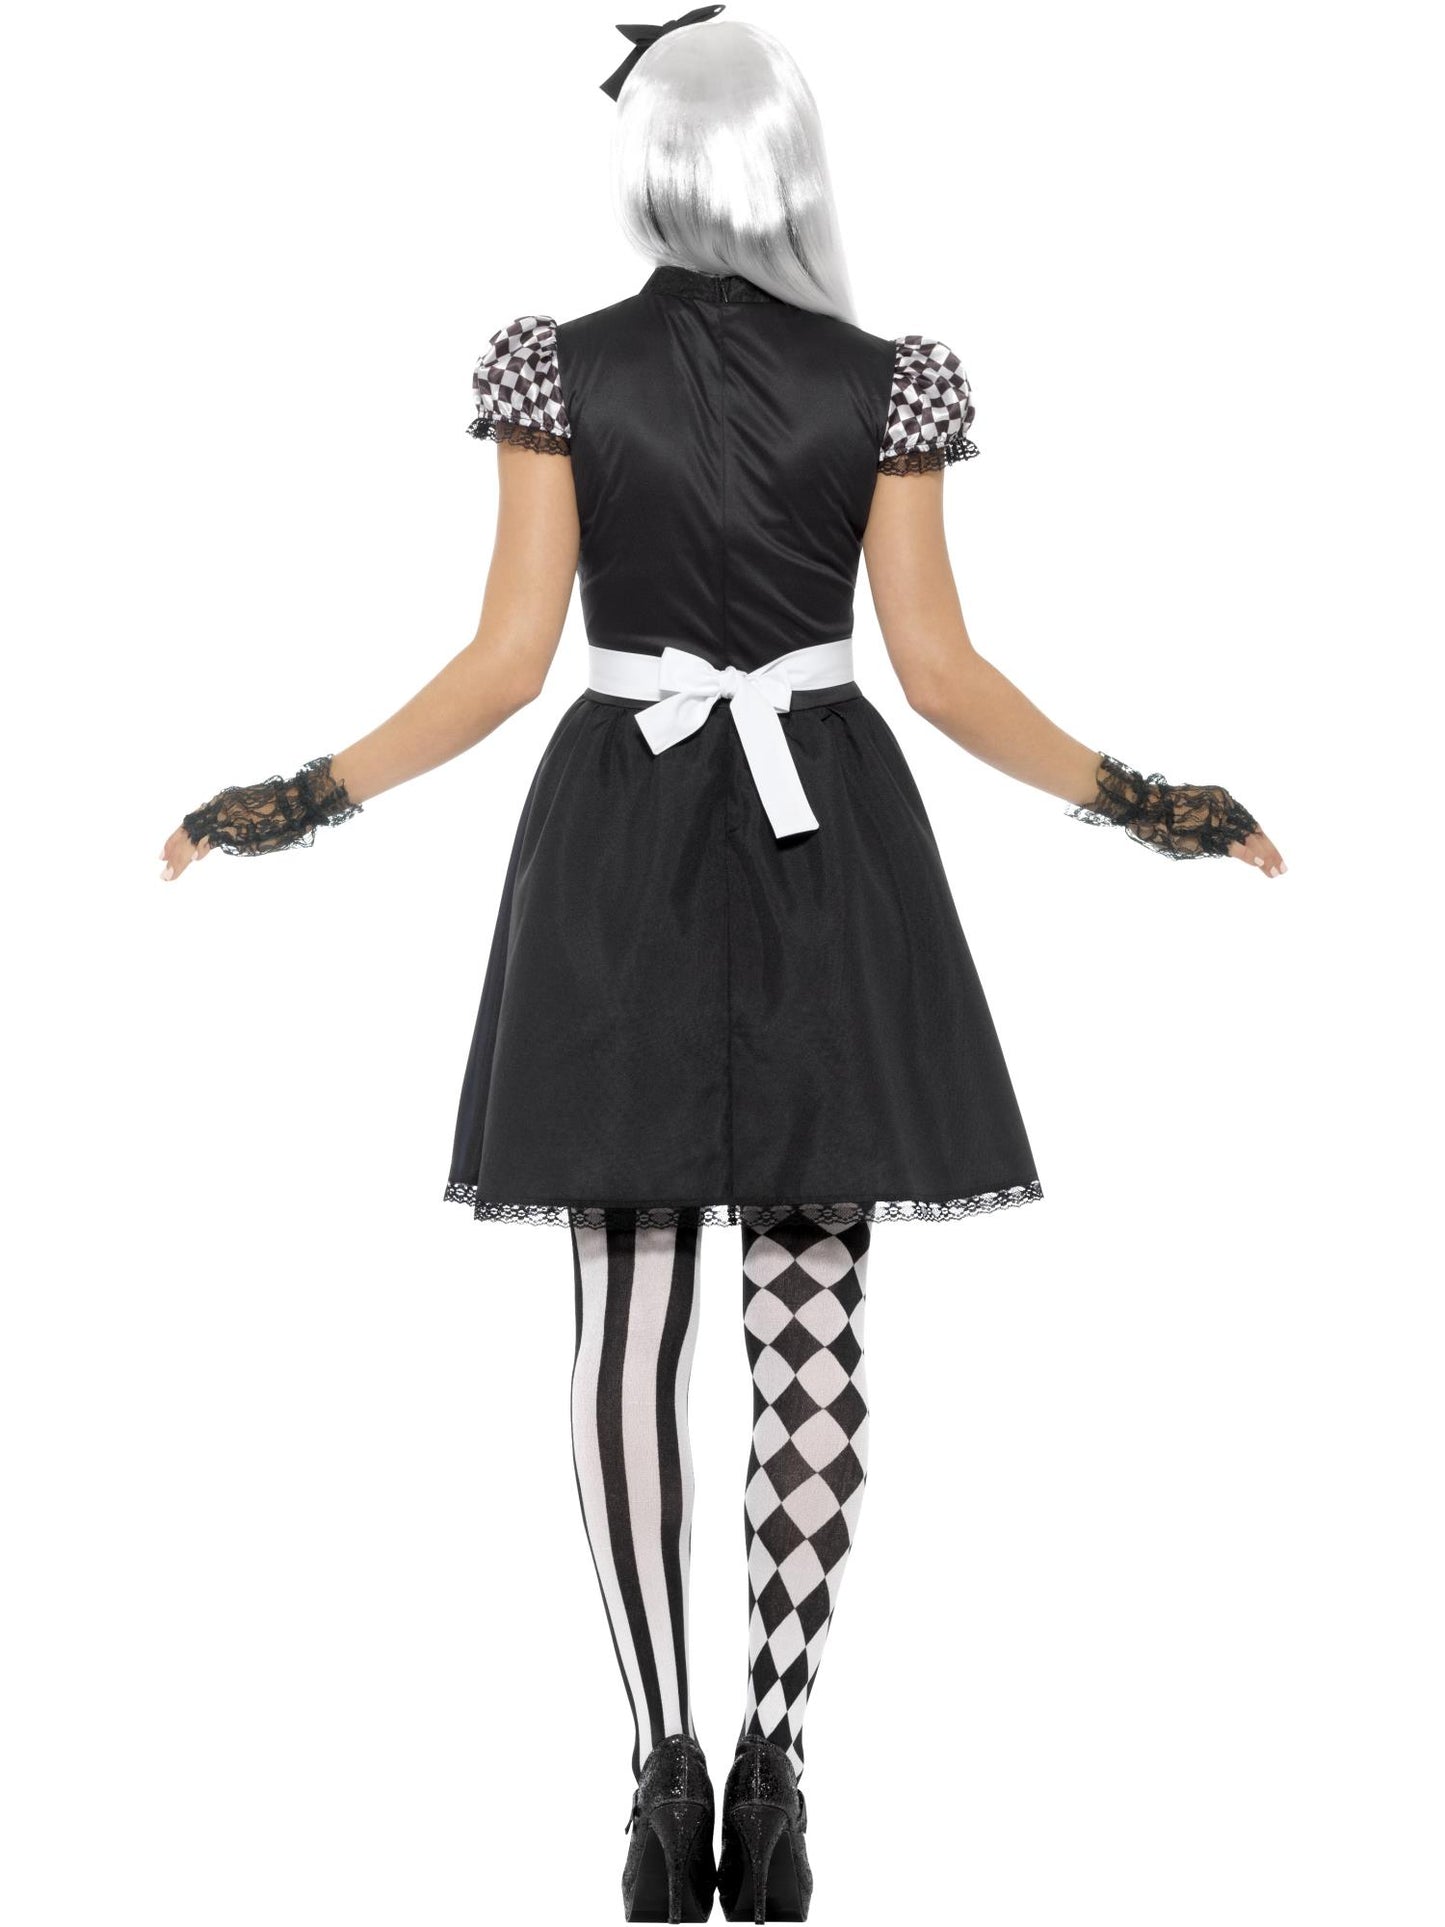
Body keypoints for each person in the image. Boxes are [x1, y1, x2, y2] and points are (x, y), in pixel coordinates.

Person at [159, 10, 1284, 1921]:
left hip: (618, 834)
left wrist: (299, 796)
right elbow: (941, 679)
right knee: (811, 1330)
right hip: (828, 833)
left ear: (652, 161)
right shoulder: (891, 382)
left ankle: (659, 1760)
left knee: (623, 1324)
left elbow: (504, 665)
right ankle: (774, 1760)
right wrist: (1149, 802)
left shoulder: (557, 366)